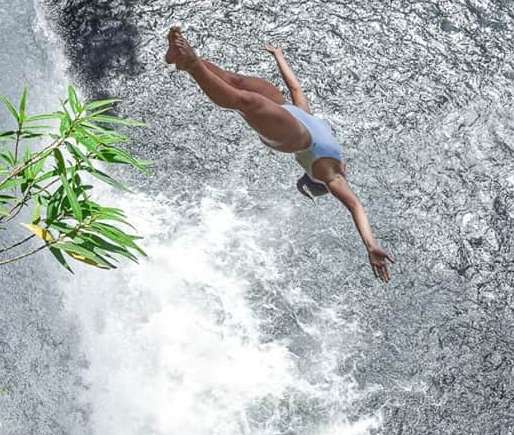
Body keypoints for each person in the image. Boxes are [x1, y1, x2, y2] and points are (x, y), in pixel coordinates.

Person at [165, 26, 395, 282]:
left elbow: (355, 206)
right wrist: (279, 57)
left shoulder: (330, 175)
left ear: (318, 182)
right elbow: (296, 89)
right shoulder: (325, 140)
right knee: (239, 82)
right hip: (295, 114)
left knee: (246, 101)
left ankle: (192, 63)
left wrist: (370, 244)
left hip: (293, 136)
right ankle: (180, 56)